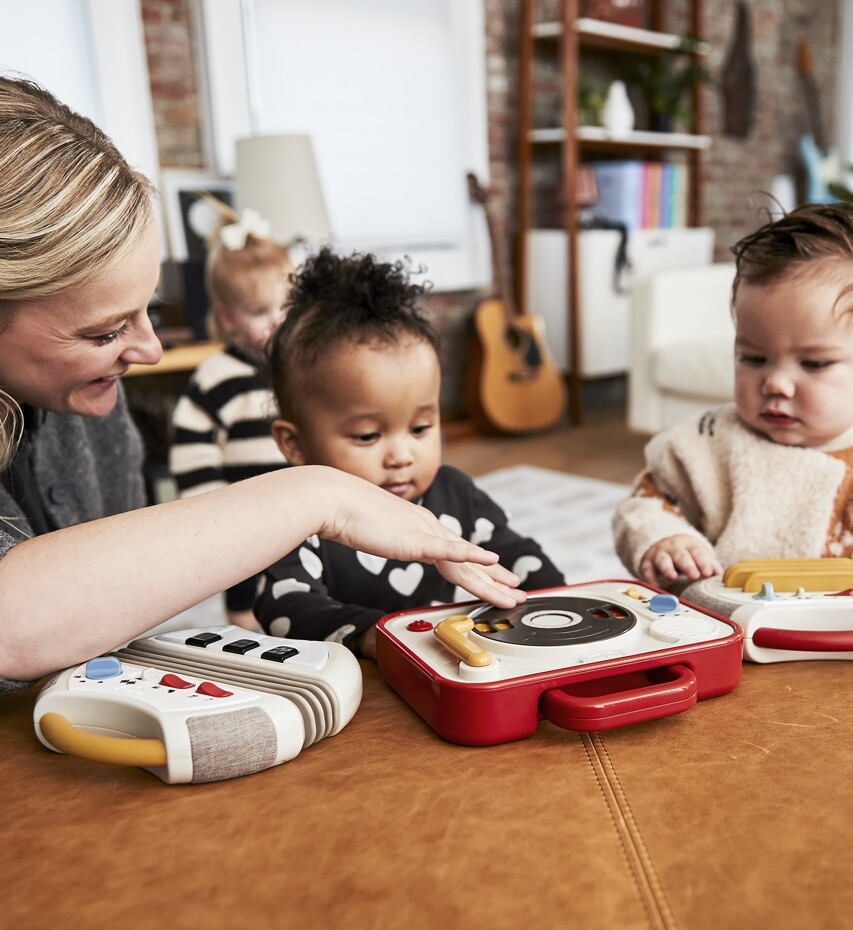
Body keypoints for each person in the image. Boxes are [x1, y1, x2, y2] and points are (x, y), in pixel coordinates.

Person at [0, 75, 524, 691]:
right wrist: (317, 494)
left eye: (149, 311)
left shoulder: (93, 411)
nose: (150, 351)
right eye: (104, 332)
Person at [254, 247, 565, 659]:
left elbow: (513, 556)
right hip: (356, 681)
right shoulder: (299, 520)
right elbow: (285, 605)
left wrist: (556, 600)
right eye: (368, 435)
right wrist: (372, 636)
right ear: (295, 444)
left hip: (447, 665)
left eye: (420, 428)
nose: (401, 455)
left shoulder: (454, 494)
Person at [613, 201, 853, 590]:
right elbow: (644, 506)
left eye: (813, 363)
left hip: (845, 630)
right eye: (753, 358)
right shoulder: (706, 441)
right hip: (707, 623)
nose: (776, 383)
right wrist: (664, 539)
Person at [170, 200, 291, 630]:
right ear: (227, 316)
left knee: (302, 586)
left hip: (298, 510)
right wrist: (215, 512)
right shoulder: (217, 377)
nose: (277, 321)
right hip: (242, 522)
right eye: (260, 312)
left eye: (286, 306)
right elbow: (192, 443)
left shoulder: (301, 369)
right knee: (246, 599)